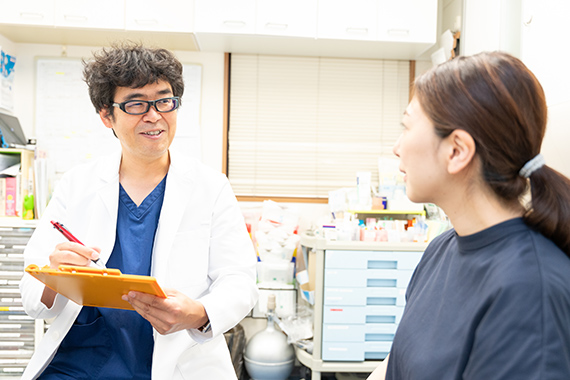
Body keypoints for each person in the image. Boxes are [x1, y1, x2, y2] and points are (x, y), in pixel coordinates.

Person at [19, 43, 258, 380]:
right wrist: (55, 276)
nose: (154, 115)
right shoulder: (77, 185)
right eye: (136, 104)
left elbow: (240, 281)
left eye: (164, 100)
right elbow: (31, 294)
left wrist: (199, 313)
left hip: (178, 362)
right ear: (107, 115)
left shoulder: (210, 187)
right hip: (80, 366)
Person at [368, 51, 570, 380]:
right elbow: (396, 365)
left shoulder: (529, 290)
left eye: (406, 127)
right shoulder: (442, 249)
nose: (396, 147)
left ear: (457, 150)